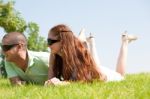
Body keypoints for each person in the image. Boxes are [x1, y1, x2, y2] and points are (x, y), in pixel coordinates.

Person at [45, 24, 137, 85]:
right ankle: (92, 41)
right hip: (96, 69)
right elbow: (50, 82)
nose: (47, 45)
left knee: (121, 75)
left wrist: (62, 84)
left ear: (63, 41)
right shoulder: (57, 56)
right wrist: (52, 63)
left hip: (106, 76)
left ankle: (125, 42)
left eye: (50, 41)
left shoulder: (79, 53)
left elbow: (84, 80)